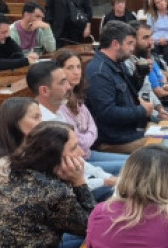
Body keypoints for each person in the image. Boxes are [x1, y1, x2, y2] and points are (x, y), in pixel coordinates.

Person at [27, 60, 118, 200]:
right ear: (44, 90)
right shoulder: (42, 127)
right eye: (62, 82)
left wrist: (106, 177)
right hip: (74, 194)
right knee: (135, 188)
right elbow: (64, 181)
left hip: (84, 178)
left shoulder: (58, 113)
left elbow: (78, 159)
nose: (69, 86)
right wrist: (105, 181)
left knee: (135, 172)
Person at [54, 50, 129, 174]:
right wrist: (88, 138)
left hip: (88, 153)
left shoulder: (77, 95)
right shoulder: (58, 103)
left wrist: (88, 138)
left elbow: (93, 127)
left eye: (78, 67)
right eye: (70, 68)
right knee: (132, 167)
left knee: (132, 161)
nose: (76, 72)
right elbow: (76, 140)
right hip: (78, 161)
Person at [86, 21, 154, 154]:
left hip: (127, 131)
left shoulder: (117, 63)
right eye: (129, 43)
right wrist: (142, 111)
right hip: (112, 140)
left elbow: (129, 93)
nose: (132, 48)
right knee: (161, 146)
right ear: (116, 44)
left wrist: (139, 75)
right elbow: (107, 113)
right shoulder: (99, 72)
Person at [0, 97, 41, 200]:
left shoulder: (32, 151)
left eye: (40, 117)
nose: (41, 123)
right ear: (16, 123)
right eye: (36, 117)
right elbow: (7, 211)